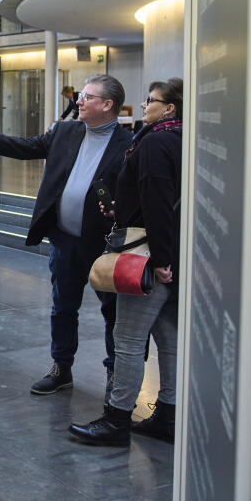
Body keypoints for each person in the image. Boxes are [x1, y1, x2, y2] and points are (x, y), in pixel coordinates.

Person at [0, 74, 132, 395]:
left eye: (87, 97)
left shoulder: (128, 145)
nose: (79, 102)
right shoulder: (66, 131)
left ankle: (115, 374)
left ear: (107, 105)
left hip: (105, 247)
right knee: (62, 307)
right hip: (65, 239)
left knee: (113, 313)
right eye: (82, 96)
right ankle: (61, 367)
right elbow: (28, 147)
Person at [69, 78, 182, 446]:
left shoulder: (155, 141)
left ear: (170, 108)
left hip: (150, 255)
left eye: (153, 100)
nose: (145, 104)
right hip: (172, 251)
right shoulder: (182, 138)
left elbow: (158, 201)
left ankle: (116, 420)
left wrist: (162, 260)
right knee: (168, 336)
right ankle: (169, 414)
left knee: (128, 338)